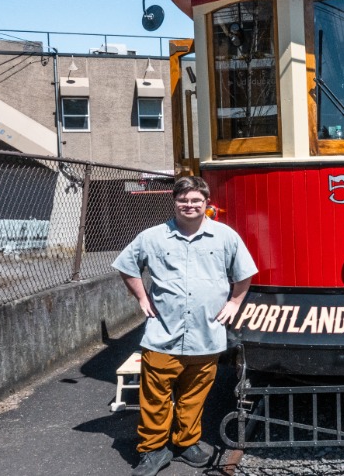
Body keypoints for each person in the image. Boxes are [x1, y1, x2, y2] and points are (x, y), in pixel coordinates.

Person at [113, 176, 258, 476]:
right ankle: (153, 450)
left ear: (206, 203)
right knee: (155, 397)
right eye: (183, 200)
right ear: (174, 202)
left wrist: (234, 303)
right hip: (162, 334)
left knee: (194, 394)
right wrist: (141, 298)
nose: (189, 205)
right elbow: (127, 265)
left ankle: (186, 441)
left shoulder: (225, 236)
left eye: (196, 201)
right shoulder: (152, 237)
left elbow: (245, 273)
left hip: (207, 335)